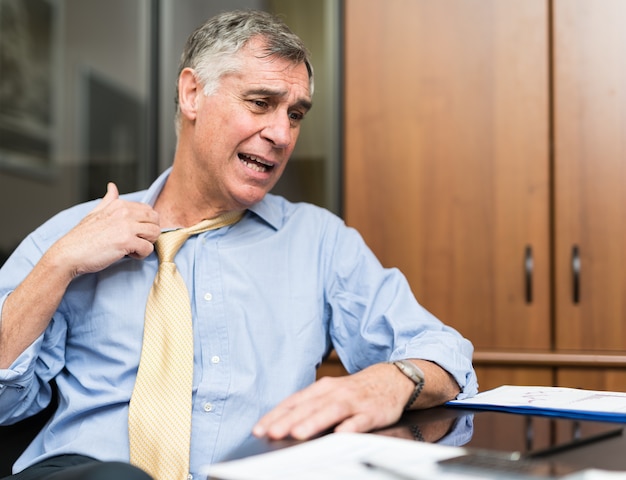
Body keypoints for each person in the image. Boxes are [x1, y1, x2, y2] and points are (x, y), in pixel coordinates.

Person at [0, 9, 478, 480]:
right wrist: (58, 265)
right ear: (192, 94)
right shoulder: (71, 234)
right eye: (260, 103)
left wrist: (390, 381)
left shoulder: (318, 241)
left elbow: (445, 353)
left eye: (295, 114)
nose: (282, 134)